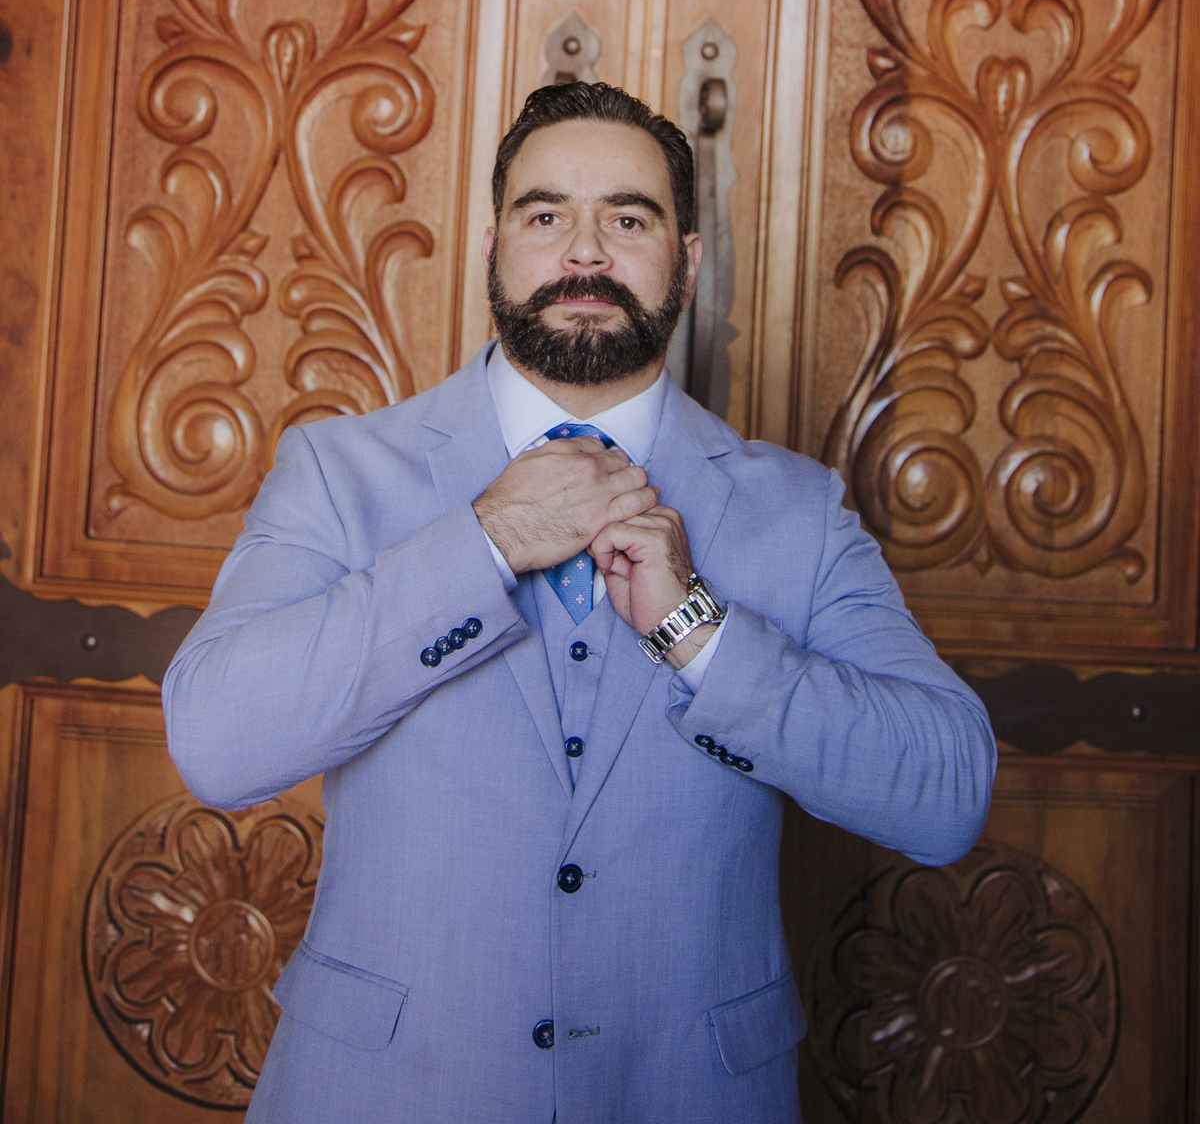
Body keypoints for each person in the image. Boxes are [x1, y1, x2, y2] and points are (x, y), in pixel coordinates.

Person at [163, 81, 996, 1124]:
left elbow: (946, 796)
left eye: (629, 220)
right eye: (546, 215)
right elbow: (217, 742)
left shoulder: (799, 511)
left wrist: (698, 632)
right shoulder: (338, 473)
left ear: (687, 261)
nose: (586, 252)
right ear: (493, 248)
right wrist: (483, 542)